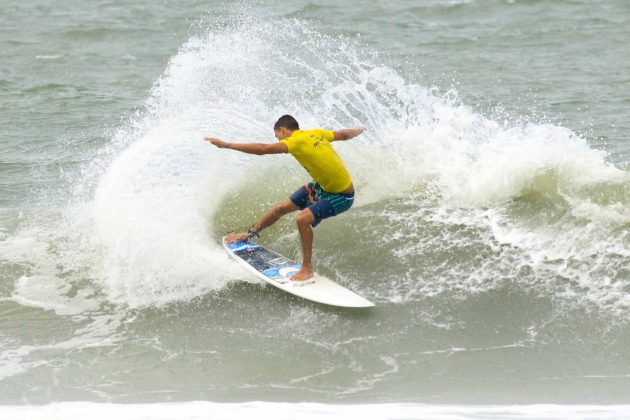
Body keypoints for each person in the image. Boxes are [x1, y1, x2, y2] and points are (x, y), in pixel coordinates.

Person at [203, 114, 366, 281]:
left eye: (277, 136)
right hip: (321, 187)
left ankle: (307, 268)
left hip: (342, 196)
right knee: (279, 209)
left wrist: (227, 144)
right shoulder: (316, 133)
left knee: (302, 219)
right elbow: (343, 135)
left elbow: (264, 149)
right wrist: (359, 129)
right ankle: (248, 234)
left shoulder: (293, 141)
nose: (279, 140)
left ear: (281, 130)